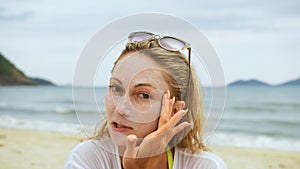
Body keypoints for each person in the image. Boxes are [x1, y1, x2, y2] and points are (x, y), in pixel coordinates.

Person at [65, 31, 227, 169]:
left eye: (143, 95)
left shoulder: (205, 166)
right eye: (116, 88)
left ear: (174, 111)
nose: (120, 109)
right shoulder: (88, 159)